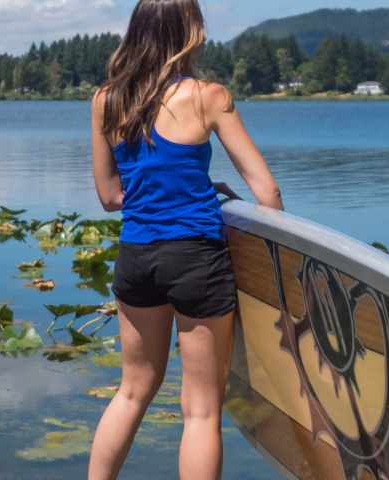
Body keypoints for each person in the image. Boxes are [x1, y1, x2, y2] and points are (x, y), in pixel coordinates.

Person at [85, 0, 284, 478]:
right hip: (196, 258)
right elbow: (266, 190)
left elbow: (112, 197)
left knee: (132, 392)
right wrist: (273, 259)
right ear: (189, 31)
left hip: (136, 258)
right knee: (200, 410)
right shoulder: (208, 97)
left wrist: (166, 187)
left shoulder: (106, 99)